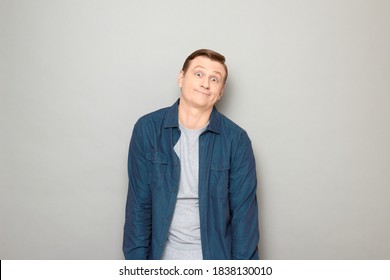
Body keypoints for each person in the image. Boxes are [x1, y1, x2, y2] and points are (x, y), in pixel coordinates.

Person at [123, 49, 259, 260]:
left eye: (214, 79)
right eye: (198, 74)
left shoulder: (237, 141)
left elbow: (244, 222)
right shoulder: (147, 130)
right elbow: (138, 210)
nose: (205, 83)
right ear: (181, 78)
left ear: (220, 92)